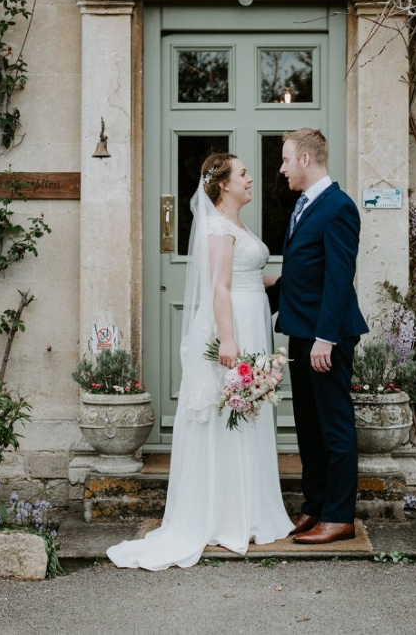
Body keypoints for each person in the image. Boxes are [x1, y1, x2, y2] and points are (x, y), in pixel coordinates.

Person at [106, 153, 292, 569]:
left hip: (250, 316)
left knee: (247, 414)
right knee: (229, 414)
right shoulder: (217, 226)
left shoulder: (237, 225)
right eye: (243, 174)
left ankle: (250, 508)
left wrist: (288, 280)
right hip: (234, 326)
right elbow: (219, 287)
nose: (250, 179)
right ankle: (226, 515)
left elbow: (244, 277)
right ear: (223, 184)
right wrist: (228, 340)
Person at [270, 128, 368, 545]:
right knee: (308, 425)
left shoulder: (339, 207)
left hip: (326, 337)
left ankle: (339, 515)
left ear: (306, 160)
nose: (282, 168)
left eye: (286, 160)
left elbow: (338, 279)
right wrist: (270, 288)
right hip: (301, 331)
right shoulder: (306, 205)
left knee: (334, 425)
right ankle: (314, 504)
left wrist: (326, 338)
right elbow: (307, 268)